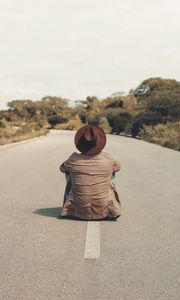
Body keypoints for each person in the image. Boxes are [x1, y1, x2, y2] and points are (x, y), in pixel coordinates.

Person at [59, 124, 121, 220]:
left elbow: (62, 168)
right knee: (111, 174)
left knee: (69, 173)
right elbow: (118, 167)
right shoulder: (108, 159)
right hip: (102, 210)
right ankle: (107, 201)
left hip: (78, 210)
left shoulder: (73, 159)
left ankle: (71, 203)